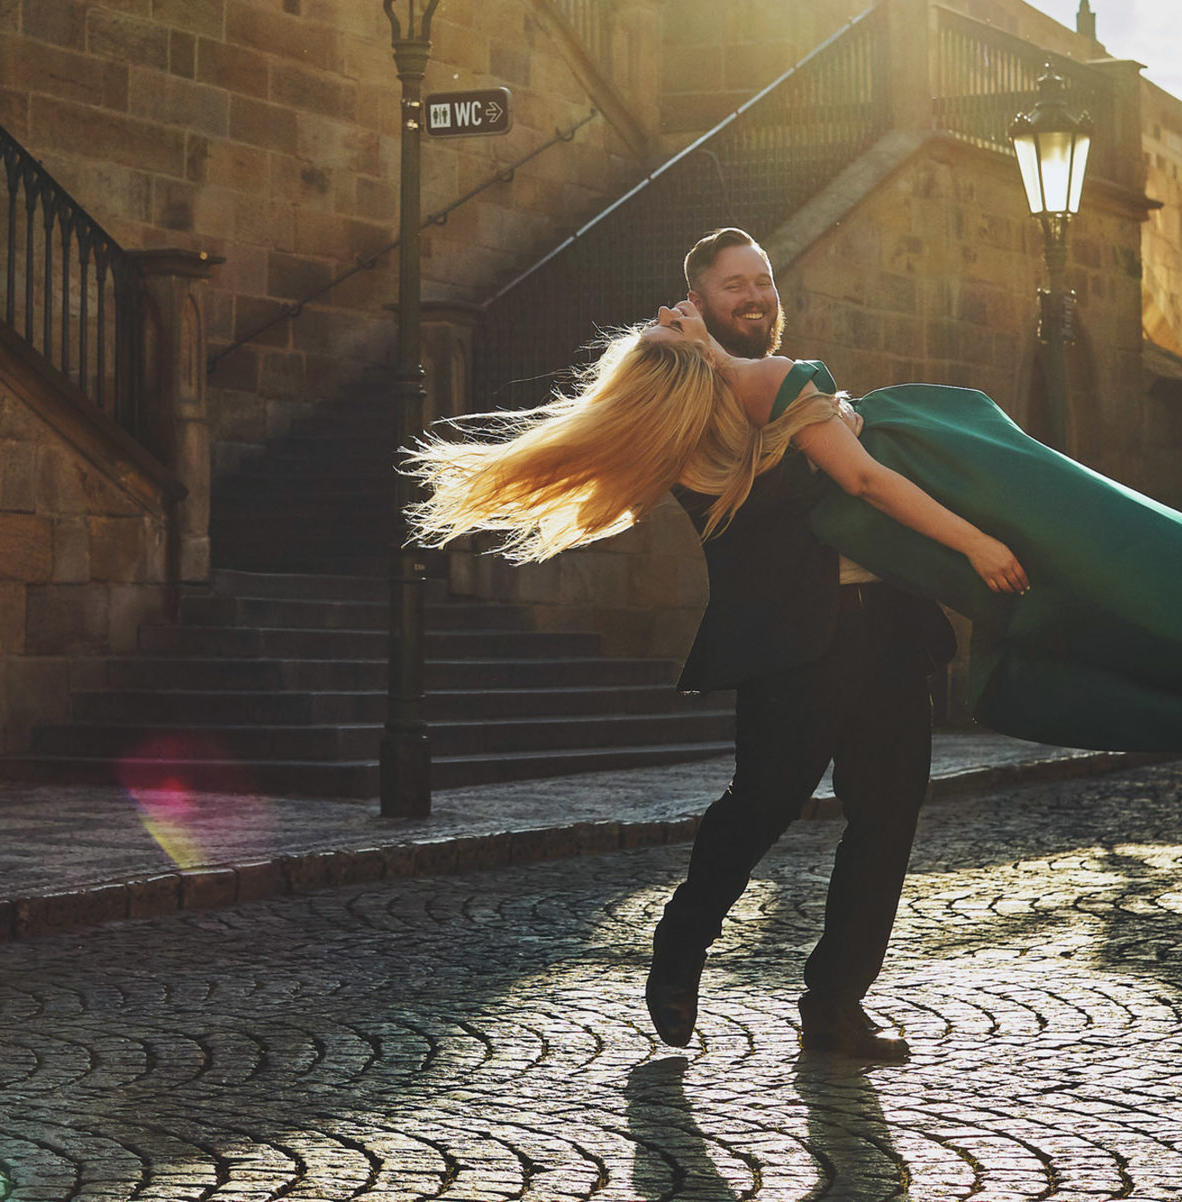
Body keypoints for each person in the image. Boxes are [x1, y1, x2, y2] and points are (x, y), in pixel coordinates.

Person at [409, 229, 1018, 1064]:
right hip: (788, 642)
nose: (757, 296)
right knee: (760, 806)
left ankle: (835, 1005)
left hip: (885, 630)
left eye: (764, 280)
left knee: (887, 821)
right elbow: (867, 481)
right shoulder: (689, 392)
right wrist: (977, 546)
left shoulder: (787, 382)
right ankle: (683, 939)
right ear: (700, 300)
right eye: (735, 286)